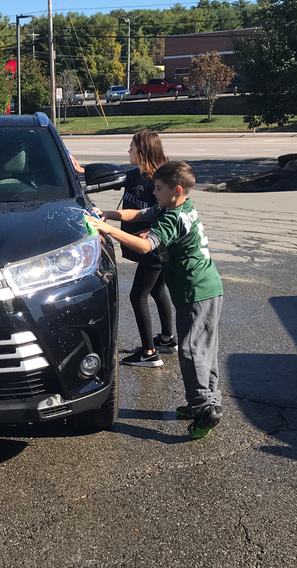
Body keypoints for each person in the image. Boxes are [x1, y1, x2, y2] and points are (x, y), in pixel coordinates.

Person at [89, 160, 223, 440]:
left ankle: (203, 409)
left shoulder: (173, 218)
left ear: (176, 190)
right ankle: (207, 400)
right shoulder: (177, 206)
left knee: (191, 351)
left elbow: (145, 245)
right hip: (209, 287)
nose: (154, 193)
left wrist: (107, 230)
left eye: (158, 189)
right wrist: (106, 214)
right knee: (204, 348)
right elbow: (138, 214)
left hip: (195, 291)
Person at [93, 130, 175, 368]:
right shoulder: (135, 173)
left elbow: (169, 211)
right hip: (149, 248)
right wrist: (80, 171)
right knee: (157, 291)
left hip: (151, 247)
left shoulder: (159, 182)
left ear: (142, 152)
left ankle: (149, 352)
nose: (128, 151)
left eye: (131, 148)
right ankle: (167, 339)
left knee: (137, 295)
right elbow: (109, 177)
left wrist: (152, 232)